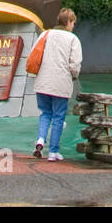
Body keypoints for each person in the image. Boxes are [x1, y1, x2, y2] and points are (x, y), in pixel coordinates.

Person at [32, 8, 82, 160]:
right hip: (60, 84)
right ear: (68, 22)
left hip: (42, 83)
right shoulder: (73, 39)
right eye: (73, 22)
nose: (73, 26)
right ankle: (53, 152)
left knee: (45, 113)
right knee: (58, 117)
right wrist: (73, 76)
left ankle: (40, 139)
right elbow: (75, 64)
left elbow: (34, 54)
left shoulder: (45, 34)